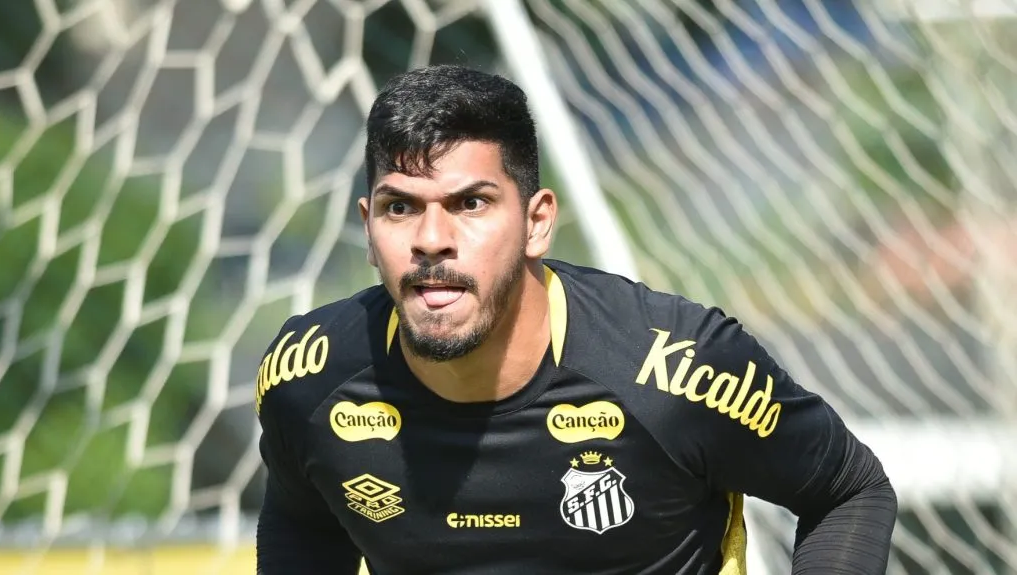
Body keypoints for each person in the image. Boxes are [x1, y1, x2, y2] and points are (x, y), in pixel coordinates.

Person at [254, 64, 897, 575]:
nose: (431, 239)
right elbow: (301, 526)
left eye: (470, 203)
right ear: (368, 229)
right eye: (400, 209)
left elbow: (848, 490)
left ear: (537, 222)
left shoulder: (679, 372)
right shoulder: (306, 379)